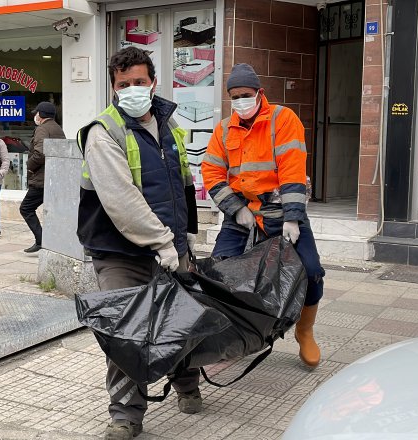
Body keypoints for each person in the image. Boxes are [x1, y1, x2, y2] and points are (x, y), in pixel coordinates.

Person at [77, 47, 199, 440]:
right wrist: (162, 241)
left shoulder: (169, 127)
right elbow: (121, 200)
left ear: (153, 83)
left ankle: (187, 383)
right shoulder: (104, 132)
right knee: (126, 333)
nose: (132, 89)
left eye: (139, 83)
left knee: (181, 319)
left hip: (170, 247)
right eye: (123, 84)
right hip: (120, 254)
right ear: (113, 87)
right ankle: (126, 416)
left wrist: (184, 239)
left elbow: (183, 185)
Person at [201, 63, 326, 370]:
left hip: (282, 212)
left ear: (259, 93)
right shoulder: (224, 129)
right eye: (235, 96)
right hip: (242, 213)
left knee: (310, 271)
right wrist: (236, 209)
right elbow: (211, 172)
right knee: (220, 274)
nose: (241, 101)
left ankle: (304, 331)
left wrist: (293, 217)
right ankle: (234, 336)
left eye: (246, 94)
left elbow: (293, 170)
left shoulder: (282, 120)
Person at [20, 101, 66, 253]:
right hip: (56, 177)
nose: (35, 116)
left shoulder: (42, 129)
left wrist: (29, 166)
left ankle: (41, 240)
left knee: (26, 208)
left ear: (40, 115)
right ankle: (54, 241)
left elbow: (40, 153)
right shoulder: (58, 128)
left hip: (41, 179)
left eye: (36, 113)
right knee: (53, 211)